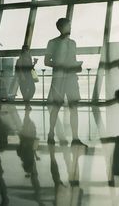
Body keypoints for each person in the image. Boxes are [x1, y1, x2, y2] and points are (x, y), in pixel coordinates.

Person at [45, 18, 87, 147]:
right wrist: (62, 65)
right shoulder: (52, 43)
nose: (70, 28)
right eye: (68, 26)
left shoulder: (73, 43)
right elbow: (47, 61)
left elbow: (72, 60)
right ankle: (51, 133)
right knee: (57, 107)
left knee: (73, 108)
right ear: (61, 28)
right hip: (59, 79)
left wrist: (75, 66)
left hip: (71, 78)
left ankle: (75, 138)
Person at [15, 45, 36, 110]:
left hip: (29, 75)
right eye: (26, 50)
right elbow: (19, 67)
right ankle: (27, 105)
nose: (27, 51)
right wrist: (22, 75)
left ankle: (27, 103)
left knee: (32, 89)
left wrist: (34, 63)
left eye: (27, 50)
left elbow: (30, 68)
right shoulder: (21, 58)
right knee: (25, 90)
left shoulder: (29, 58)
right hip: (23, 76)